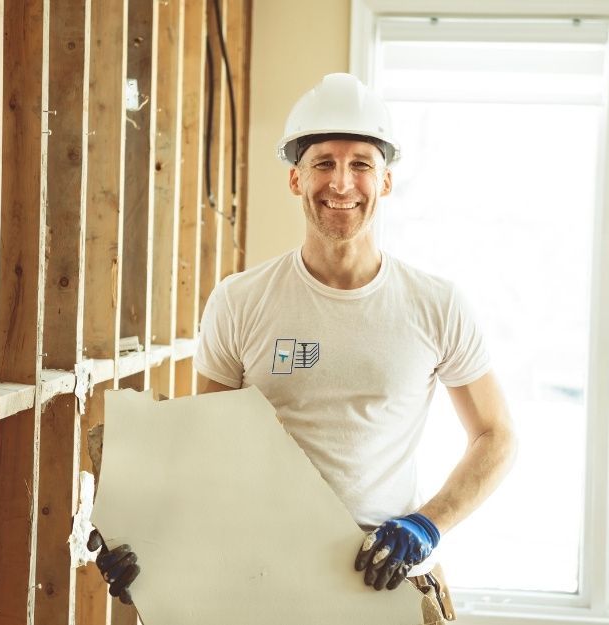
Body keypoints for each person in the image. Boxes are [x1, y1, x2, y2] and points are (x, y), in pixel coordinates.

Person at [94, 73, 516, 621]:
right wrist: (150, 552)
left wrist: (427, 524)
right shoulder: (240, 301)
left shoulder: (437, 305)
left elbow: (496, 435)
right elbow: (207, 456)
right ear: (295, 179)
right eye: (323, 163)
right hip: (260, 576)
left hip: (384, 579)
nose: (341, 183)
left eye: (361, 163)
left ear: (385, 181)